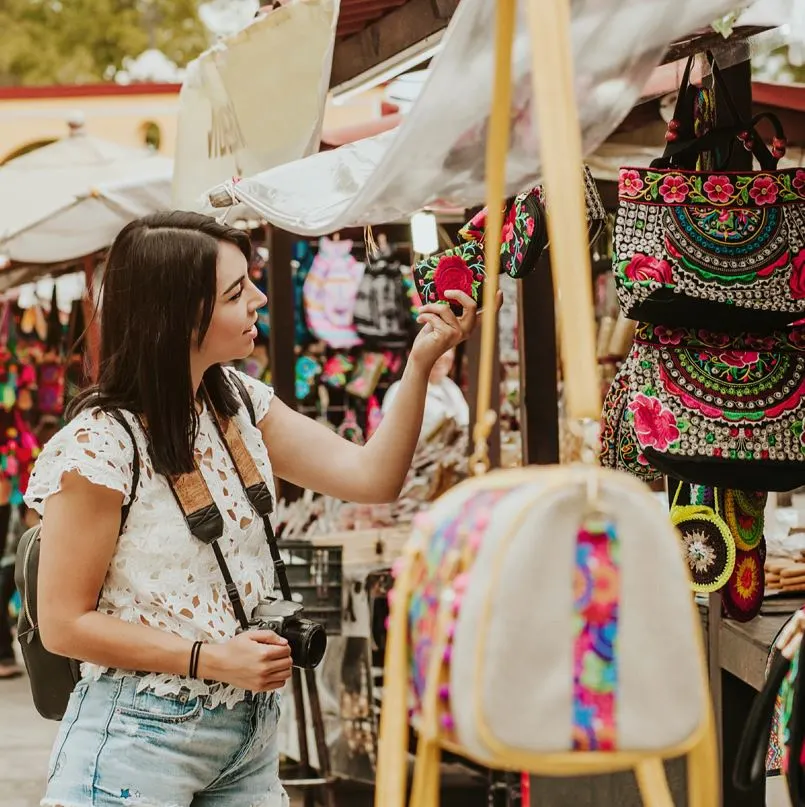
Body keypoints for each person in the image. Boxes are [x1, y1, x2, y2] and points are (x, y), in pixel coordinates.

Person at [26, 211, 496, 807]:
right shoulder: (99, 446)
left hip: (249, 737)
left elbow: (371, 477)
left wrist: (421, 362)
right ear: (176, 315)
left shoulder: (238, 401)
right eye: (235, 291)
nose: (259, 299)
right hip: (137, 740)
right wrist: (208, 659)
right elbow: (65, 624)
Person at [381, 346, 469, 444]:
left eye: (447, 349)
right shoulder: (400, 390)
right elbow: (387, 440)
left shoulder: (452, 389)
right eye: (435, 349)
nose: (441, 356)